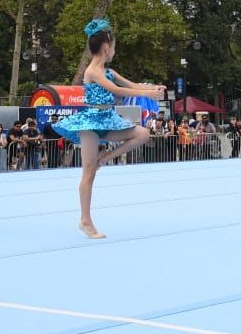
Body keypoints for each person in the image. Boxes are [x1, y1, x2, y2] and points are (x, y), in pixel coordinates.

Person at [52, 19, 164, 239]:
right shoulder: (92, 71)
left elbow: (131, 85)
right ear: (106, 47)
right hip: (91, 123)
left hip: (108, 119)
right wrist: (145, 94)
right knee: (89, 172)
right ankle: (85, 220)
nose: (114, 50)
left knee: (142, 133)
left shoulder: (109, 71)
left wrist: (153, 88)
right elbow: (115, 90)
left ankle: (105, 158)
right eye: (114, 46)